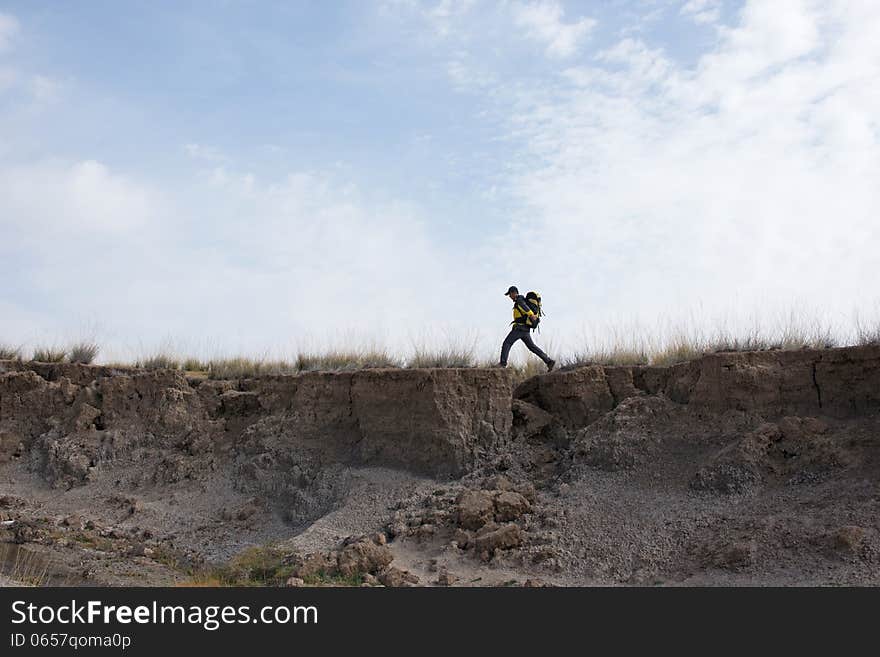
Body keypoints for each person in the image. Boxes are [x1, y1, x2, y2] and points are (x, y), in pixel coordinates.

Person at [499, 285, 555, 370]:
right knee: (532, 347)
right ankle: (549, 361)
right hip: (525, 330)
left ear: (514, 293)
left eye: (510, 294)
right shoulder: (520, 300)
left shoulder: (519, 299)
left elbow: (524, 307)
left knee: (507, 343)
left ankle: (502, 364)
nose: (509, 296)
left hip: (519, 328)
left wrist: (531, 315)